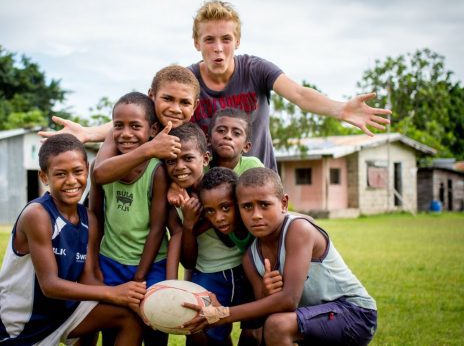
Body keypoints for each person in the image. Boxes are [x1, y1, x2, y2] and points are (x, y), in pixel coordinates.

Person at [40, 0, 391, 172]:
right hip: (209, 186)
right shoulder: (186, 82)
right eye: (209, 40)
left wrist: (340, 108)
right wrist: (89, 132)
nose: (218, 48)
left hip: (257, 177)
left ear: (237, 40)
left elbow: (299, 94)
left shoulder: (256, 70)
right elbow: (145, 117)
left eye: (226, 39)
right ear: (197, 42)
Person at [184, 167, 378, 346]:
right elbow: (263, 309)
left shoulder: (297, 229)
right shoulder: (250, 257)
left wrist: (224, 314)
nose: (256, 215)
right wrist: (267, 293)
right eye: (247, 207)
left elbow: (288, 300)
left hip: (355, 313)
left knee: (277, 326)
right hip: (311, 318)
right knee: (264, 328)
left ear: (284, 203)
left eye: (264, 205)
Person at [0, 133, 145, 346]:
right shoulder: (37, 215)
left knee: (129, 317)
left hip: (64, 312)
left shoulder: (88, 219)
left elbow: (88, 278)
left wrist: (131, 298)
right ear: (44, 177)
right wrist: (113, 293)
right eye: (60, 174)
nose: (71, 181)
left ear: (87, 170)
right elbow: (50, 285)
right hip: (23, 325)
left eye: (78, 172)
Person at [89, 92, 174, 346]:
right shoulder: (102, 165)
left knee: (157, 326)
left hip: (151, 264)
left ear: (153, 130)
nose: (126, 133)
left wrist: (139, 276)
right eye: (118, 126)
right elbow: (94, 215)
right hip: (111, 261)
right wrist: (94, 261)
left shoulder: (156, 170)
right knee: (114, 329)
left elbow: (158, 228)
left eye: (135, 126)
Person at [166, 123, 256, 346]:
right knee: (205, 332)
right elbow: (188, 261)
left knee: (254, 331)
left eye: (188, 158)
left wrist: (201, 220)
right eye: (171, 161)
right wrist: (188, 225)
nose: (180, 167)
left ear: (205, 159)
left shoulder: (223, 183)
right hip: (209, 274)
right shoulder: (174, 201)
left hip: (246, 269)